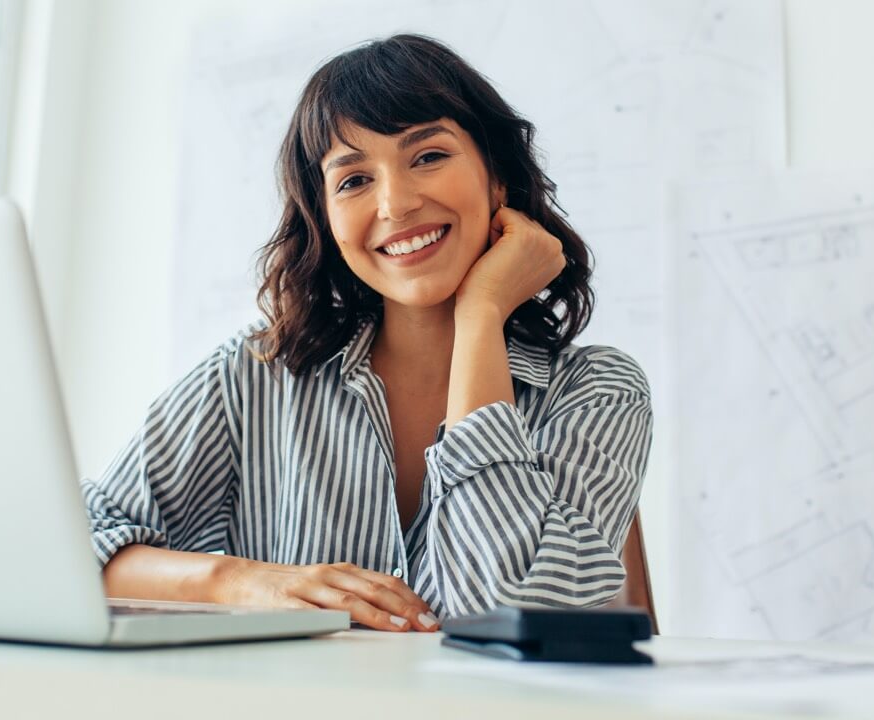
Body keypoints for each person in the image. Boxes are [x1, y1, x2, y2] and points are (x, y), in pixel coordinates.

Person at [81, 33, 652, 633]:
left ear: (497, 180)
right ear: (326, 219)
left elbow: (512, 616)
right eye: (353, 180)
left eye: (428, 156)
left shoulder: (600, 389)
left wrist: (481, 316)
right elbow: (75, 548)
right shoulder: (255, 372)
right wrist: (240, 581)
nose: (396, 203)